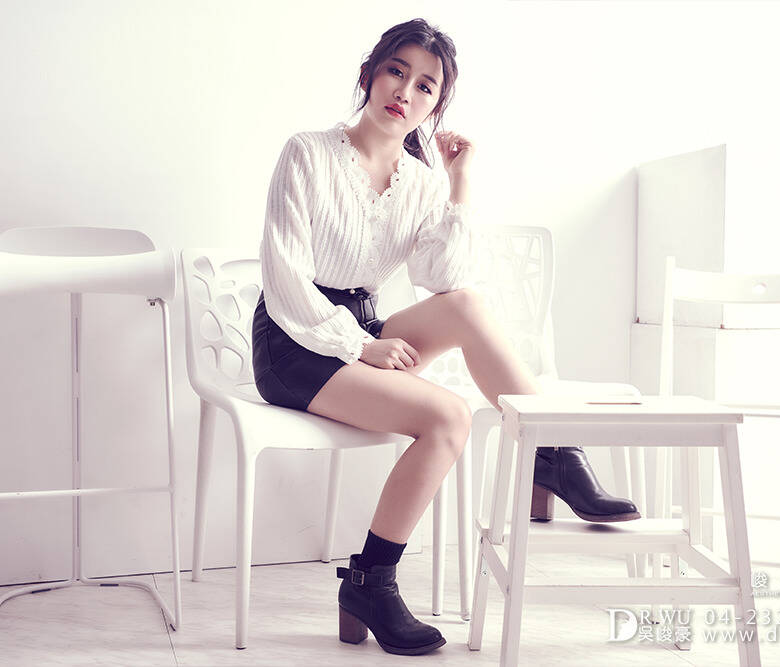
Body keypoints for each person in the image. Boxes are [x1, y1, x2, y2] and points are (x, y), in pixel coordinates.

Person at [252, 18, 639, 656]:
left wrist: (458, 182)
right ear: (370, 75)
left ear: (435, 105)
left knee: (465, 305)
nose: (406, 92)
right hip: (295, 340)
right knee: (448, 417)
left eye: (426, 86)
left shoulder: (421, 180)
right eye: (396, 71)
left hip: (361, 328)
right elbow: (284, 275)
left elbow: (443, 279)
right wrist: (359, 345)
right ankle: (371, 582)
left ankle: (552, 451)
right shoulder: (308, 153)